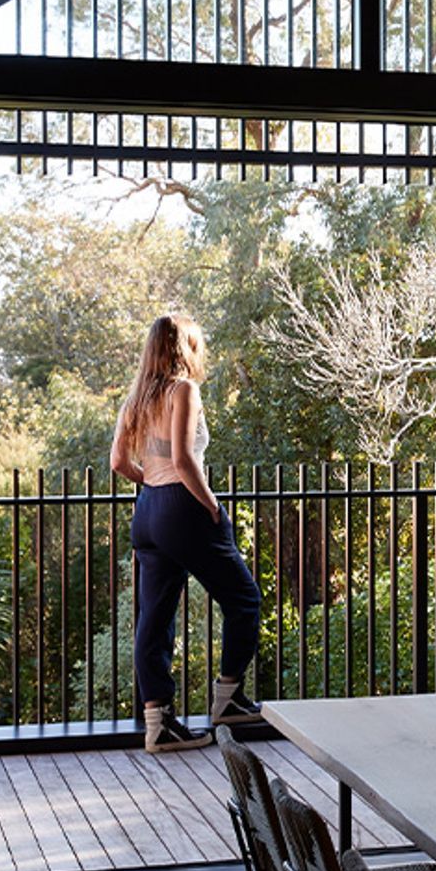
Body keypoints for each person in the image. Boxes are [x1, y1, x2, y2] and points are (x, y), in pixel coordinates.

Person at [111, 314, 262, 754]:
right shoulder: (184, 390)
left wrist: (152, 485)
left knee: (154, 619)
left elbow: (119, 463)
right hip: (181, 505)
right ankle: (228, 699)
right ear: (183, 348)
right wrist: (212, 506)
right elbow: (184, 459)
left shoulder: (135, 399)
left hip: (148, 512)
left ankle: (158, 724)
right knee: (244, 599)